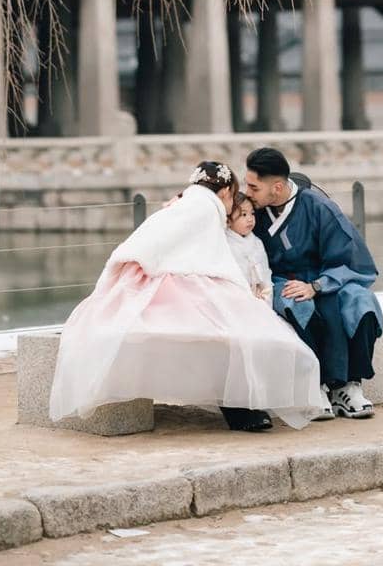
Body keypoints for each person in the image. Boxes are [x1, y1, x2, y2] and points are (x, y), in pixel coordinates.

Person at [49, 160, 325, 432]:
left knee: (229, 333)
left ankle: (242, 407)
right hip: (179, 284)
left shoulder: (190, 204)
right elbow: (202, 255)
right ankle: (244, 407)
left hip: (160, 281)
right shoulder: (206, 208)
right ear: (227, 192)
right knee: (239, 331)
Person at [245, 146, 383, 420]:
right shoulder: (252, 212)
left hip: (330, 278)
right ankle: (316, 386)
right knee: (295, 303)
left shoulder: (320, 207)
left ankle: (349, 386)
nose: (248, 193)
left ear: (277, 187)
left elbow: (352, 261)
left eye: (253, 187)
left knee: (362, 304)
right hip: (281, 280)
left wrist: (319, 286)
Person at [226, 191, 272, 301]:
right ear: (228, 220)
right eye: (244, 214)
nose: (250, 219)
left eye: (252, 213)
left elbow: (265, 272)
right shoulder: (226, 244)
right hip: (237, 297)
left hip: (260, 295)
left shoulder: (257, 243)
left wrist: (265, 296)